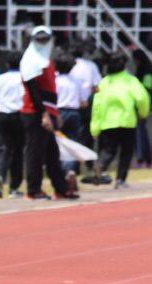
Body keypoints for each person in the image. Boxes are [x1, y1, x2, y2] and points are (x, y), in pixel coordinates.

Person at [19, 26, 77, 200]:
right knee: (35, 152)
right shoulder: (30, 59)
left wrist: (55, 113)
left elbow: (50, 90)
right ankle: (33, 190)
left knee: (52, 152)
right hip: (35, 112)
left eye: (46, 39)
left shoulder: (47, 59)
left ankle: (60, 188)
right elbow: (33, 90)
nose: (43, 42)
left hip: (48, 111)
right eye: (40, 39)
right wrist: (44, 114)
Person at [90, 51, 151, 189]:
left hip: (107, 122)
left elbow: (96, 106)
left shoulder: (104, 83)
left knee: (108, 150)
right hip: (126, 121)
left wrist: (95, 127)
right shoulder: (130, 80)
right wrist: (143, 113)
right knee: (126, 151)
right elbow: (142, 98)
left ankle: (101, 166)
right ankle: (120, 179)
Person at [0, 50, 26, 198]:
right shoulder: (24, 78)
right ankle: (14, 187)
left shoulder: (1, 78)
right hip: (20, 116)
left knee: (4, 149)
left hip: (2, 116)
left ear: (7, 64)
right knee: (18, 151)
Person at [54, 51, 88, 190]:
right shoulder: (76, 82)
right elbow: (84, 102)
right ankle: (70, 169)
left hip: (58, 112)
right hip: (74, 113)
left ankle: (63, 172)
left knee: (57, 144)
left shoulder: (55, 81)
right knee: (72, 143)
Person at [132, 49, 152, 169]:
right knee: (141, 132)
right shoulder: (142, 69)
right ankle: (146, 158)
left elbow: (147, 89)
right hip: (141, 104)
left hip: (143, 105)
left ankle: (141, 158)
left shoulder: (147, 70)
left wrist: (143, 108)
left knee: (139, 131)